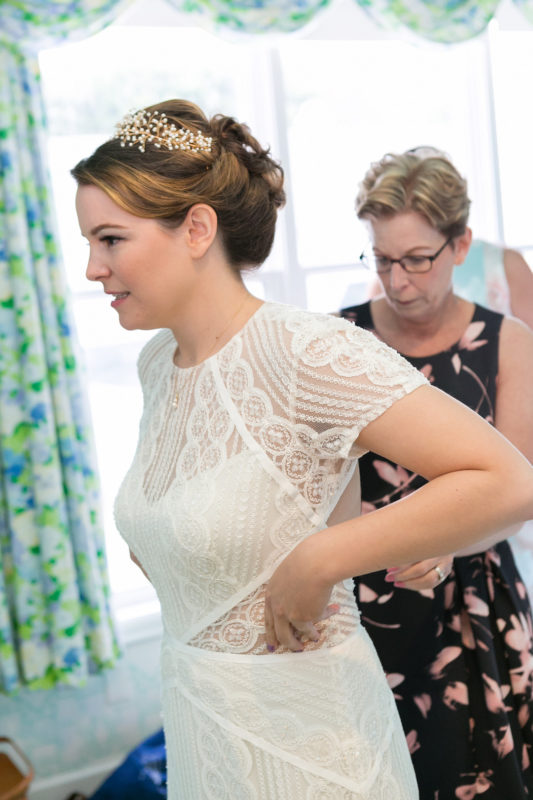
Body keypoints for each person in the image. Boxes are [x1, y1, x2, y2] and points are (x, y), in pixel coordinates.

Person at [72, 101, 533, 800]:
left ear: (196, 228)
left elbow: (509, 481)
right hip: (207, 733)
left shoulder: (305, 350)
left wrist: (321, 557)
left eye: (110, 239)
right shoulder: (158, 364)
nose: (91, 269)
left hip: (318, 749)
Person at [339, 148, 533, 799]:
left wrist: (445, 540)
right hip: (362, 604)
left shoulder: (507, 341)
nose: (397, 282)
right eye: (382, 259)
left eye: (417, 259)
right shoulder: (340, 340)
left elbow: (518, 493)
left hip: (471, 600)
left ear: (460, 245)